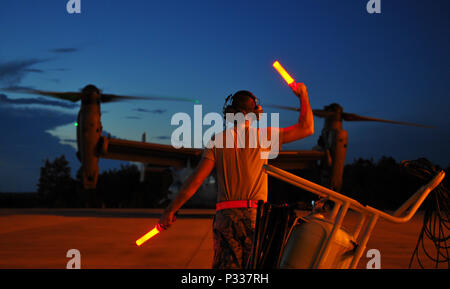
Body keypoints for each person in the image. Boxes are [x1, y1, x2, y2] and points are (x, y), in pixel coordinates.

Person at [158, 82, 314, 269]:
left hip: (226, 216)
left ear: (230, 111)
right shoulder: (264, 136)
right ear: (255, 112)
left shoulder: (217, 140)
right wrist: (303, 94)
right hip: (256, 216)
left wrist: (171, 210)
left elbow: (196, 180)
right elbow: (307, 128)